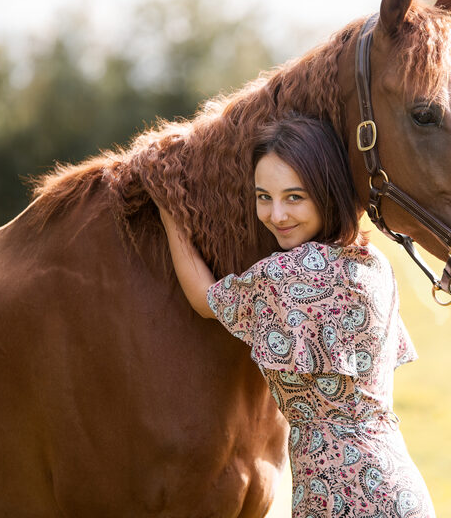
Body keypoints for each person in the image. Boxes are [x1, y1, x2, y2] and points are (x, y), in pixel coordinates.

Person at [158, 113, 435, 517]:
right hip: (397, 488)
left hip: (339, 496)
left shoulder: (286, 275)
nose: (277, 216)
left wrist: (169, 207)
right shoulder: (374, 264)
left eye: (294, 197)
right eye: (263, 197)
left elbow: (204, 299)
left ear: (326, 192)